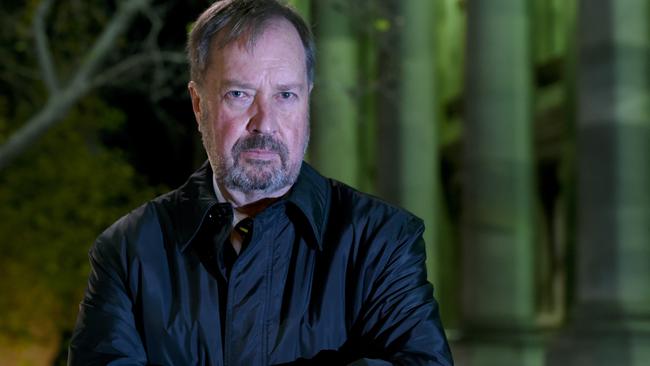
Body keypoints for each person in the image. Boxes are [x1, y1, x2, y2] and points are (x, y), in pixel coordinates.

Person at [68, 0, 453, 365]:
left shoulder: (383, 242)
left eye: (286, 95)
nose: (264, 122)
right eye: (239, 94)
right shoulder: (127, 252)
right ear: (198, 103)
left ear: (307, 100)